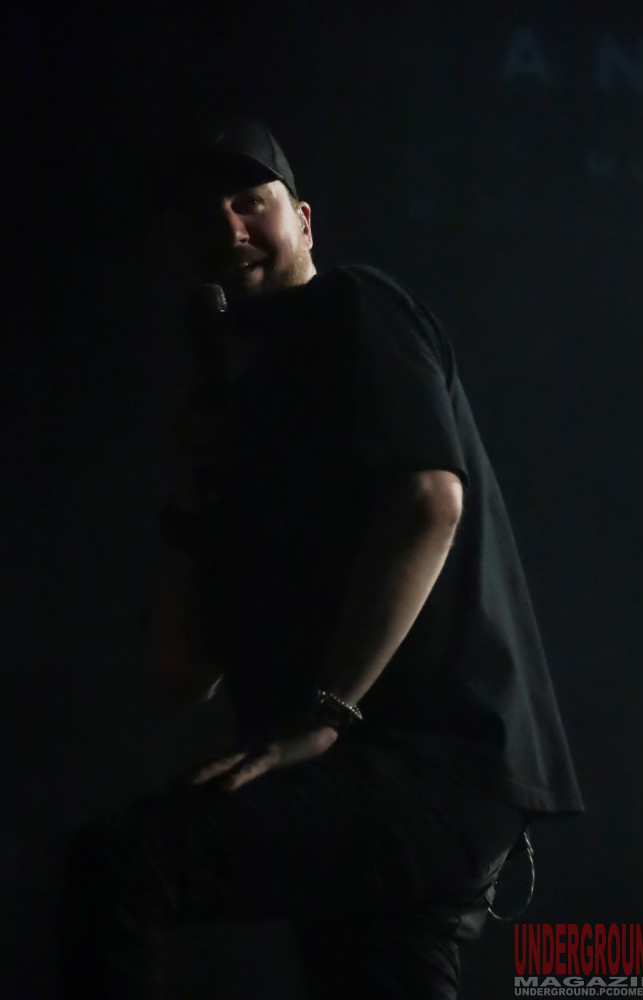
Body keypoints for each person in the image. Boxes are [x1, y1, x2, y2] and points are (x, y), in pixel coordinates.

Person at [58, 118, 583, 999]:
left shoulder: (350, 308)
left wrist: (326, 713)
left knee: (120, 865)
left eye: (249, 202)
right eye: (203, 214)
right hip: (381, 789)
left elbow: (431, 499)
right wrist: (192, 491)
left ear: (303, 220)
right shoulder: (241, 416)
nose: (228, 227)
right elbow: (183, 674)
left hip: (426, 767)